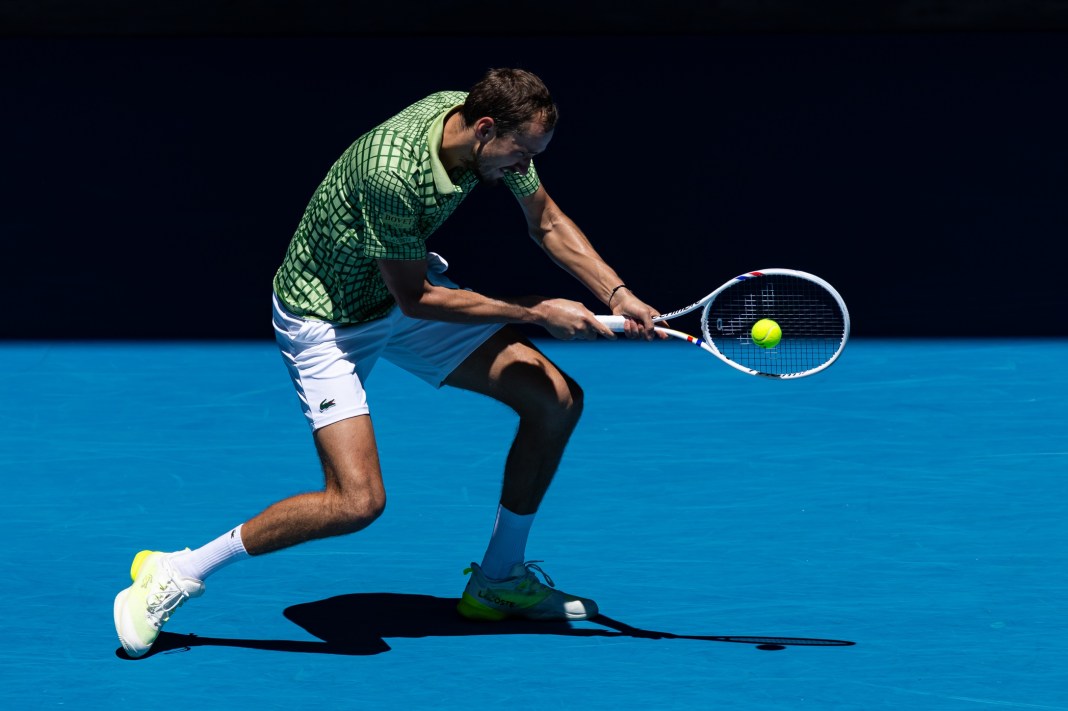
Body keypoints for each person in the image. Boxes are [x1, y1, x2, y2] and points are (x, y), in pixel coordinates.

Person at [113, 67, 662, 658]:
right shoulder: (391, 173)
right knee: (356, 502)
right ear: (483, 129)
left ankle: (499, 581)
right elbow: (418, 300)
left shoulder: (480, 122)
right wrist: (535, 311)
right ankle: (175, 571)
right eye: (519, 152)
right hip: (328, 320)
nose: (523, 166)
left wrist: (616, 293)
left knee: (554, 399)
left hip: (394, 291)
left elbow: (547, 220)